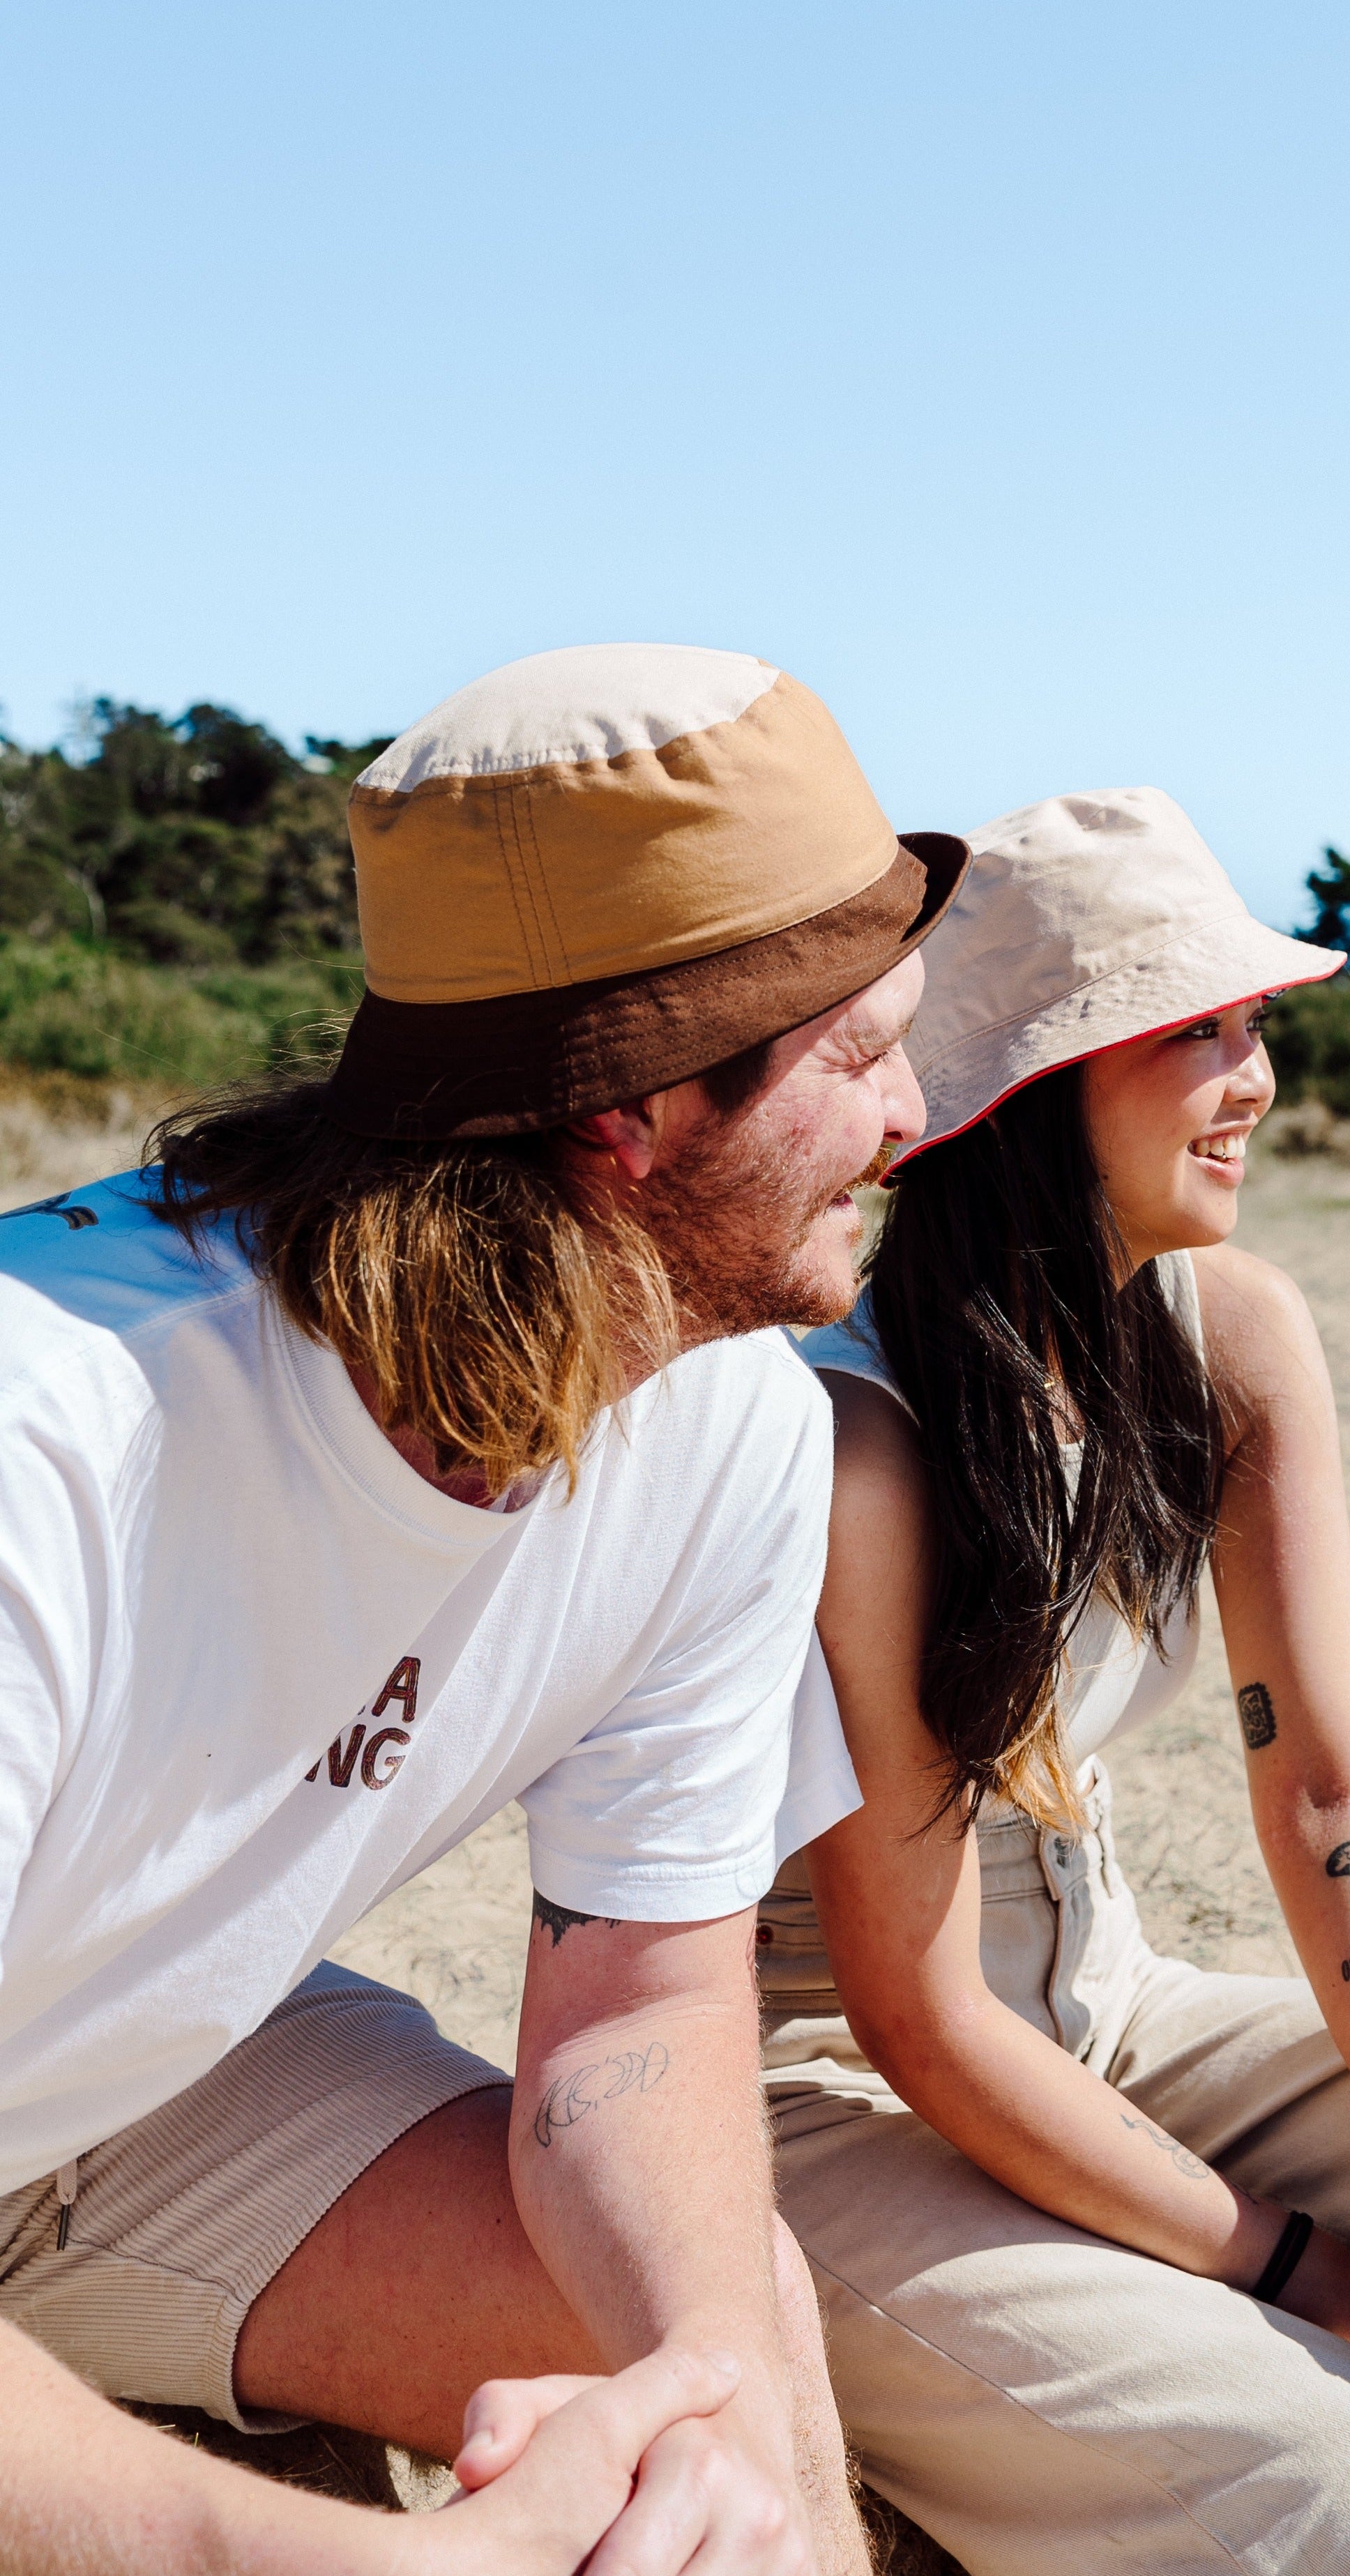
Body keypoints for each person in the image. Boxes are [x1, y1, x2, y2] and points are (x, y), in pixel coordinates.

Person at [0, 642, 968, 2576]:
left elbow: (641, 2001)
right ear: (633, 1117)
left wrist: (700, 2401)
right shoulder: (57, 1437)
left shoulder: (733, 1436)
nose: (920, 1114)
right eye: (860, 1055)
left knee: (733, 2335)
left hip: (140, 2080)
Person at [759, 787, 1350, 2575]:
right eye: (1192, 1031)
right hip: (840, 2105)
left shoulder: (1229, 1333)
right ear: (1031, 1086)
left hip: (1104, 2017)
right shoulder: (856, 1448)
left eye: (1251, 1023)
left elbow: (1325, 1789)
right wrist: (1333, 2281)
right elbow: (921, 2021)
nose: (1253, 1078)